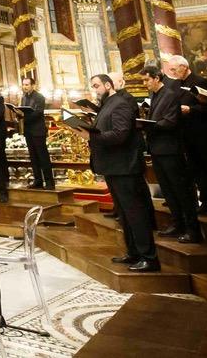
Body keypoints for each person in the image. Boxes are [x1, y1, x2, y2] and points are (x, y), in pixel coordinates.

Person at [86, 74, 159, 272]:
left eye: (97, 86)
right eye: (93, 87)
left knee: (135, 213)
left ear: (108, 85)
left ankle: (149, 257)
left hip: (124, 167)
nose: (95, 90)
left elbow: (120, 134)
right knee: (125, 215)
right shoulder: (107, 104)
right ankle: (133, 252)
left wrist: (92, 136)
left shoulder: (120, 104)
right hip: (114, 166)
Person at [163, 54, 207, 217]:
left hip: (204, 133)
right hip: (187, 134)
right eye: (170, 70)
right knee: (197, 171)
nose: (172, 73)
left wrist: (191, 109)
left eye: (174, 69)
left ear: (184, 67)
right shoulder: (176, 85)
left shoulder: (201, 82)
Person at [141, 68, 202, 243]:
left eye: (147, 80)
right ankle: (178, 224)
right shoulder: (156, 96)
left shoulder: (169, 94)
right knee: (168, 190)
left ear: (157, 78)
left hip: (170, 149)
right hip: (158, 149)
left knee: (181, 190)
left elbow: (170, 121)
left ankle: (193, 230)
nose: (145, 84)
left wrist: (148, 125)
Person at [19, 77, 53, 190]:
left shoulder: (39, 97)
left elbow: (38, 113)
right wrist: (17, 114)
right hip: (28, 130)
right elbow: (23, 111)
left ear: (33, 85)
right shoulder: (23, 97)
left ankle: (49, 182)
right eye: (24, 84)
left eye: (27, 84)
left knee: (43, 157)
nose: (25, 87)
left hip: (38, 131)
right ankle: (38, 180)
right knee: (33, 157)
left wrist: (24, 115)